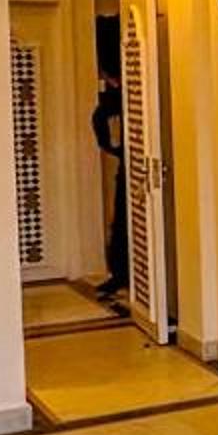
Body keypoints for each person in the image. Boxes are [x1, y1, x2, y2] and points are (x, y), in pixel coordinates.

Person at [92, 69, 126, 297]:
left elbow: (99, 116)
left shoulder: (124, 96)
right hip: (129, 164)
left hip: (131, 164)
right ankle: (121, 273)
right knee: (121, 221)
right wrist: (113, 148)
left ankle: (122, 273)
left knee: (122, 220)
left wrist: (111, 148)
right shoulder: (120, 97)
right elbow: (100, 116)